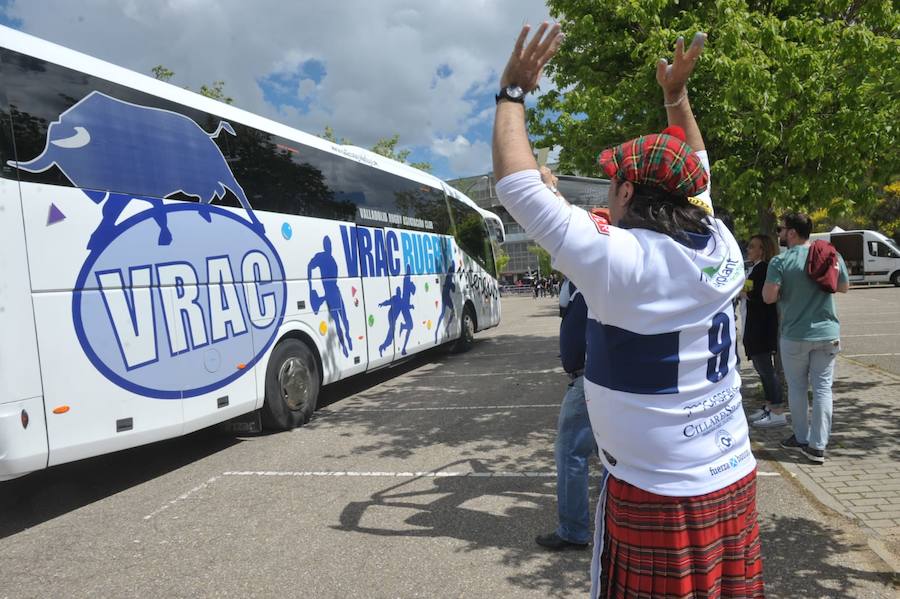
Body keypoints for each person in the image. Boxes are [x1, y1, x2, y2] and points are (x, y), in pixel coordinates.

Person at [492, 23, 763, 597]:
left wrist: (512, 92)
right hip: (732, 474)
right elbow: (699, 167)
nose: (608, 191)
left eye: (615, 181)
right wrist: (676, 97)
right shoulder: (720, 239)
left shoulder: (622, 264)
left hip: (656, 492)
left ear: (630, 195)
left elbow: (516, 186)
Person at [534, 172, 597, 552]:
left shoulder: (593, 269)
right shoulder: (577, 279)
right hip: (586, 376)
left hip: (589, 379)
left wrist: (550, 192)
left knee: (571, 452)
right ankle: (602, 526)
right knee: (602, 454)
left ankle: (575, 531)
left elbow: (568, 228)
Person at [762, 213, 849, 463]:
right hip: (828, 333)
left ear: (791, 233)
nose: (779, 233)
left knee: (798, 388)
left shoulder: (780, 261)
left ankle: (801, 438)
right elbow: (843, 286)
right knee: (823, 389)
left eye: (781, 229)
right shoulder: (831, 254)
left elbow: (768, 297)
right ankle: (817, 446)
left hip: (795, 334)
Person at [743, 234, 786, 428]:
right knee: (761, 369)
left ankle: (777, 409)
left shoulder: (763, 269)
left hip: (761, 327)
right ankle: (769, 405)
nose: (748, 249)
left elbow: (761, 297)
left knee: (766, 370)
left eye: (752, 247)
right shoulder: (756, 268)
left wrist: (744, 292)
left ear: (762, 250)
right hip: (754, 324)